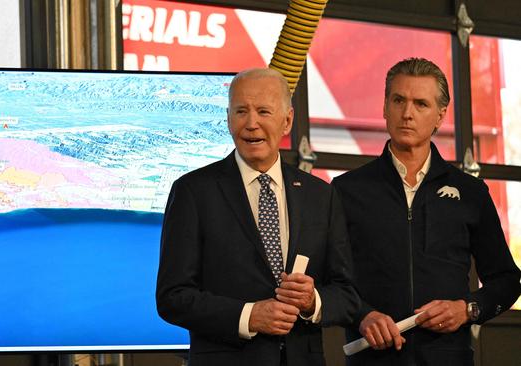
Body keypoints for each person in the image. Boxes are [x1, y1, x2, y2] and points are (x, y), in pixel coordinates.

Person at [156, 68, 359, 366]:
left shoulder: (320, 196)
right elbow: (172, 297)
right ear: (228, 119)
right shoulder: (193, 191)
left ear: (287, 120)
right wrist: (249, 316)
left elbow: (347, 295)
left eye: (264, 111)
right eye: (241, 111)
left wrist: (312, 301)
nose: (251, 124)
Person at [332, 57, 521, 365]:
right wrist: (362, 316)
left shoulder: (471, 193)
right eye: (398, 101)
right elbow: (328, 279)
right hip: (371, 359)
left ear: (440, 115)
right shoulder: (346, 190)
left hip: (449, 358)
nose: (407, 114)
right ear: (384, 107)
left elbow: (507, 280)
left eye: (421, 104)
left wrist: (467, 309)